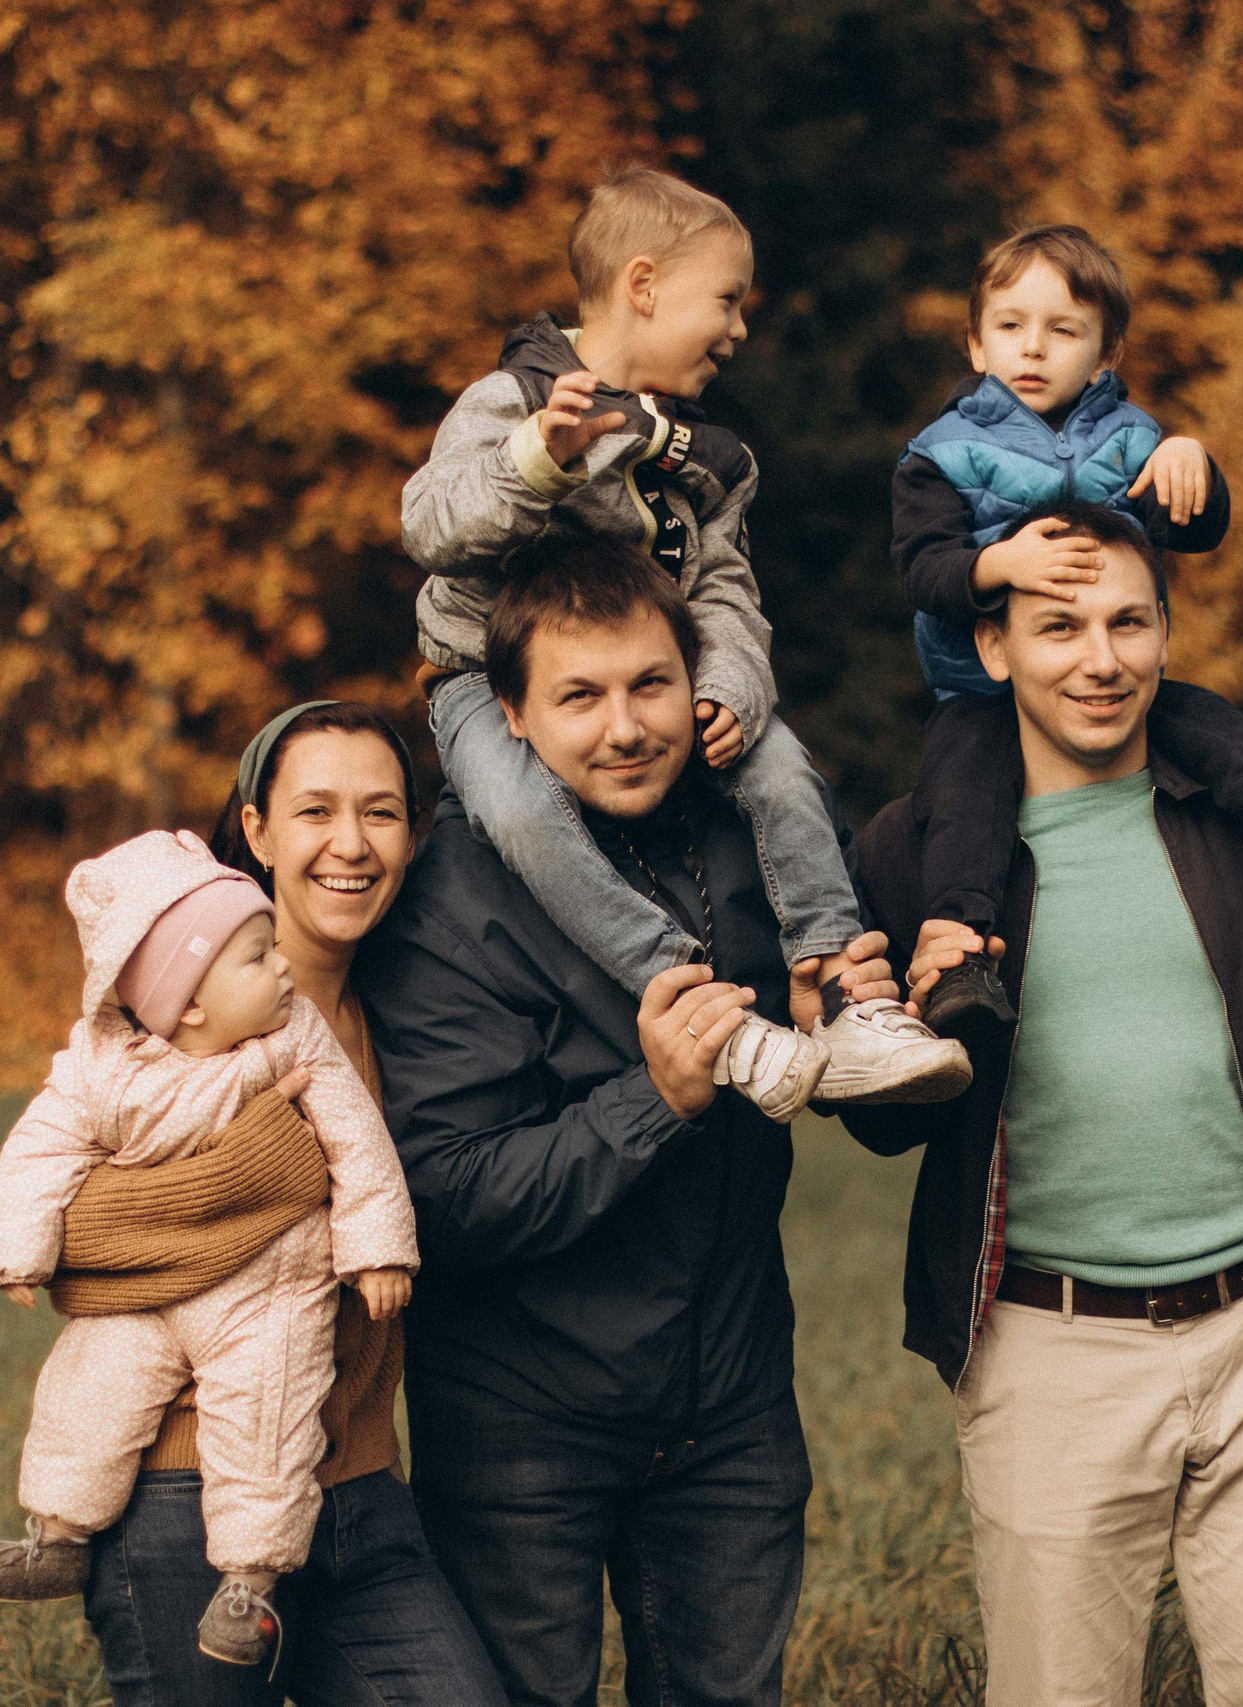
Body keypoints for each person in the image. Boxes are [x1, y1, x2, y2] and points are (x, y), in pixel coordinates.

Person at [843, 501, 1243, 1707]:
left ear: (1167, 634)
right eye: (1058, 627)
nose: (1099, 660)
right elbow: (888, 1123)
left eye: (1128, 622)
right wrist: (869, 1019)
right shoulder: (916, 852)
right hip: (1048, 1351)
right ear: (993, 648)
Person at [353, 538, 905, 1707]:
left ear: (694, 676)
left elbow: (891, 1127)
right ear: (508, 713)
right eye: (579, 697)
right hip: (520, 1423)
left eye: (649, 685)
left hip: (732, 1408)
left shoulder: (767, 836)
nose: (625, 728)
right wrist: (650, 1102)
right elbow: (443, 1197)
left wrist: (858, 1027)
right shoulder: (452, 894)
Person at [401, 162, 964, 1116]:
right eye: (729, 300)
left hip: (664, 674)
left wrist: (732, 688)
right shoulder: (514, 400)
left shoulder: (711, 456)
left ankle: (836, 998)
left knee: (783, 769)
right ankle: (711, 1014)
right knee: (527, 814)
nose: (740, 329)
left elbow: (727, 589)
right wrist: (539, 460)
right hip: (480, 678)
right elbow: (429, 525)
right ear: (645, 285)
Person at [59, 702, 507, 1707]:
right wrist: (292, 1170)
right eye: (315, 812)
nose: (350, 844)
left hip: (357, 1491)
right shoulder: (180, 1026)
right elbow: (72, 1242)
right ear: (256, 831)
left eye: (382, 813)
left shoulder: (396, 1010)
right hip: (189, 1496)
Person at [890, 224, 1243, 1036]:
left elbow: (1197, 525)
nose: (1032, 348)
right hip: (979, 685)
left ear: (1105, 355)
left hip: (1116, 685)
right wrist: (999, 564)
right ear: (975, 344)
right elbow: (921, 568)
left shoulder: (1131, 438)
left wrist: (1192, 466)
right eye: (1009, 326)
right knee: (965, 792)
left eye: (1063, 330)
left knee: (1212, 725)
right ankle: (963, 952)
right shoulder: (942, 453)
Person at [0, 822, 419, 1670]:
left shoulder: (295, 1039)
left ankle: (250, 1578)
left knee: (267, 1416)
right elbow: (40, 1150)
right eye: (256, 957)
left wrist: (377, 1247)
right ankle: (57, 1530)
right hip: (140, 1303)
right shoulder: (101, 1066)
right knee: (87, 1389)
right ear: (190, 1000)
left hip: (268, 1294)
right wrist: (17, 1247)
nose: (281, 968)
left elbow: (358, 1142)